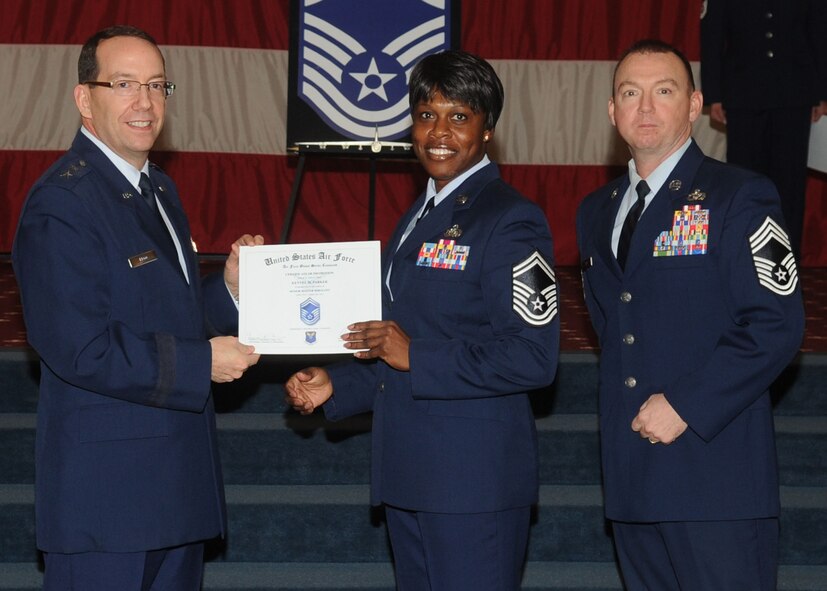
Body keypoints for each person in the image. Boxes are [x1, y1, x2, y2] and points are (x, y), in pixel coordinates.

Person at [285, 50, 559, 590]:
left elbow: (533, 357)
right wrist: (334, 386)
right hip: (410, 476)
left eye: (459, 117)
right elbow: (396, 344)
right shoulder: (418, 215)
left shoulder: (512, 219)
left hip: (473, 486)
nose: (438, 131)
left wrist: (415, 354)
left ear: (487, 130)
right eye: (426, 114)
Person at [12, 25, 262, 590]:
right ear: (85, 98)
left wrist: (230, 290)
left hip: (176, 491)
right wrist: (202, 365)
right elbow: (80, 348)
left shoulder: (159, 190)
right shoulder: (63, 204)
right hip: (107, 505)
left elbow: (169, 316)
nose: (145, 102)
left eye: (156, 85)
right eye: (123, 84)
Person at [576, 39, 805, 590]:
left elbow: (777, 324)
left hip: (715, 477)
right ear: (612, 111)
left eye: (664, 91)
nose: (646, 108)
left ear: (695, 105)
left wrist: (686, 403)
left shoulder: (740, 196)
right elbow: (616, 328)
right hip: (633, 478)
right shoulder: (595, 211)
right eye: (630, 93)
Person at [700, 0, 827, 260]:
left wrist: (821, 93)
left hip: (794, 95)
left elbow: (820, 33)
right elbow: (712, 33)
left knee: (789, 187)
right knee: (744, 183)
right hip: (743, 95)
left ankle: (784, 266)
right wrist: (714, 94)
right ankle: (744, 262)